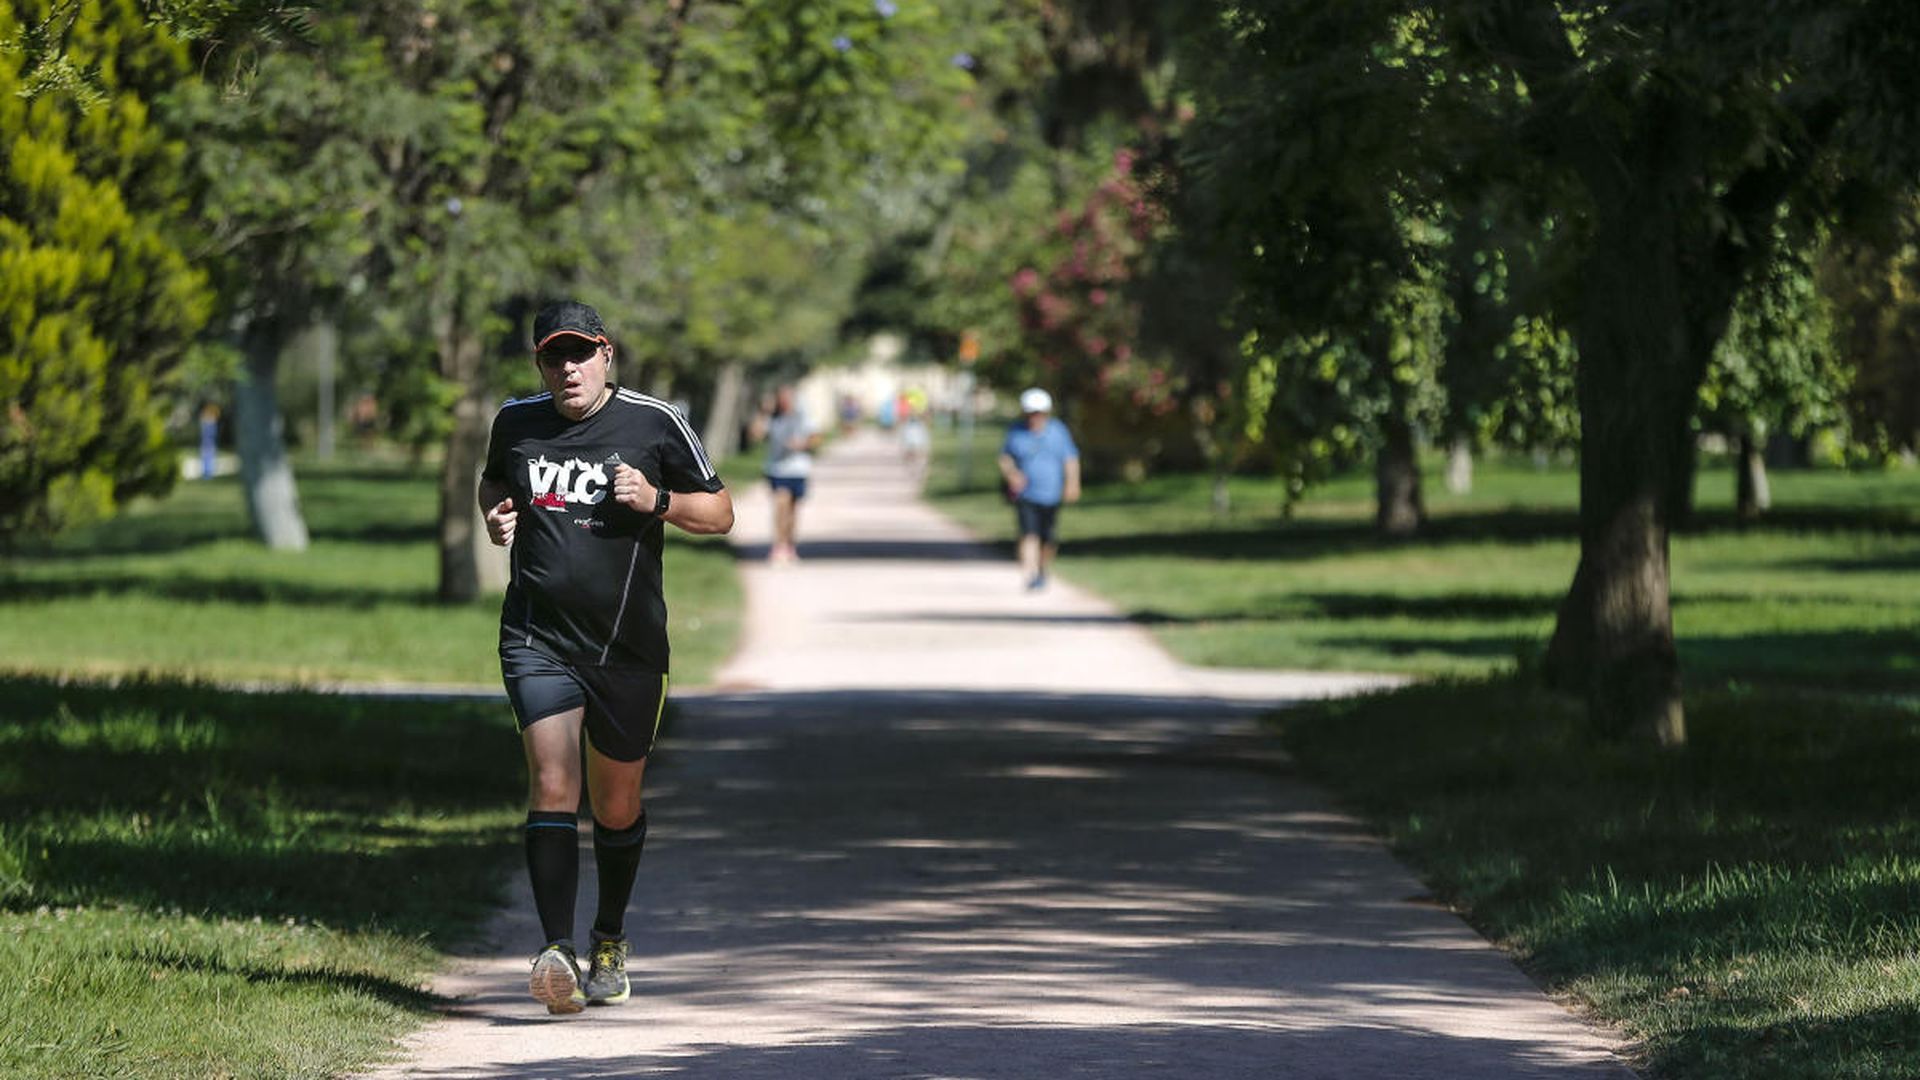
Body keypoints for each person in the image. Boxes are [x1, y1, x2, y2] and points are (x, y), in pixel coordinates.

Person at [478, 300, 734, 1015]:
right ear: (540, 364)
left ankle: (609, 940)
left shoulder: (655, 422)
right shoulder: (517, 421)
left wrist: (657, 500)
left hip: (627, 646)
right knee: (553, 778)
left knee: (616, 802)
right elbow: (494, 481)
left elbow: (720, 513)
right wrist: (493, 513)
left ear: (606, 355)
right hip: (537, 637)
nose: (567, 369)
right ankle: (556, 950)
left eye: (579, 354)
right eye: (553, 357)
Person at [997, 387, 1080, 591]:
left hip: (1051, 493)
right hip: (1026, 494)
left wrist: (1072, 483)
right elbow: (1005, 457)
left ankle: (1042, 569)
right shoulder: (1016, 431)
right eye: (1031, 412)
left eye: (1038, 413)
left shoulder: (1058, 431)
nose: (1035, 417)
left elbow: (1070, 459)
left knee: (1048, 538)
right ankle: (1031, 574)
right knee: (1028, 534)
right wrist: (1012, 474)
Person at [751, 384, 819, 565]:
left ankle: (789, 544)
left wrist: (802, 444)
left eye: (788, 398)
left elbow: (816, 437)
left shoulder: (803, 416)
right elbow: (755, 435)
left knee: (792, 510)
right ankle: (778, 545)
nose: (785, 402)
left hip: (799, 469)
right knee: (781, 504)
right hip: (777, 469)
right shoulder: (772, 418)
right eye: (781, 399)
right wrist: (763, 412)